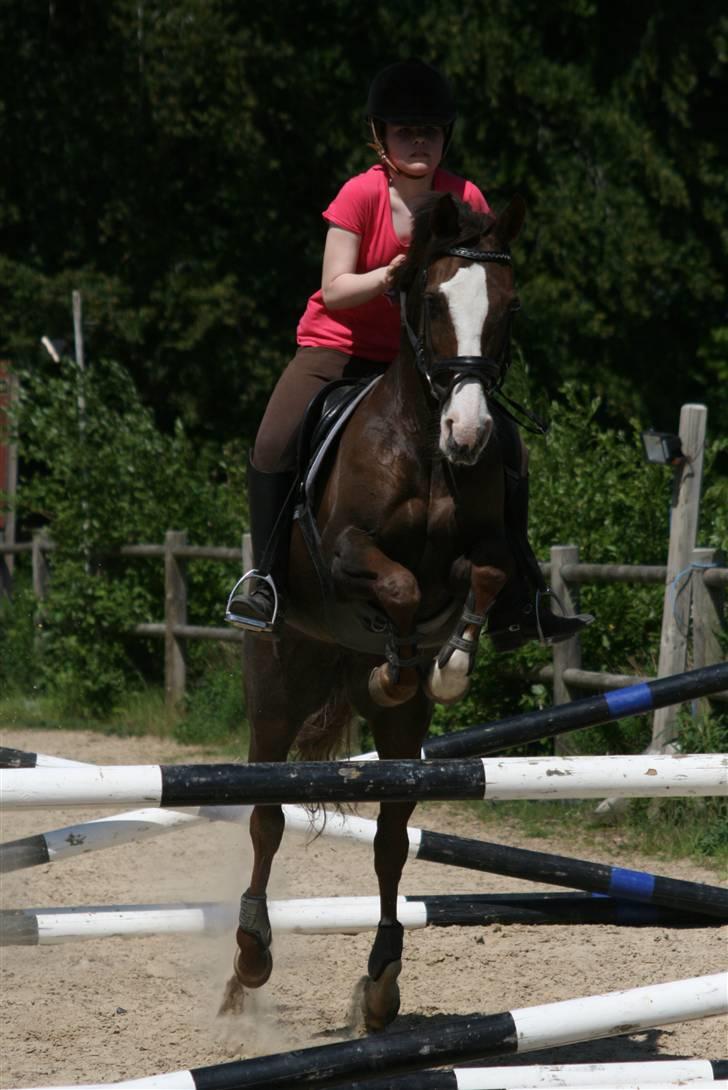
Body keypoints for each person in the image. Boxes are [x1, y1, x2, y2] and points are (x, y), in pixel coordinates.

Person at [225, 59, 592, 650]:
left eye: (430, 132)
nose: (419, 141)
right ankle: (266, 582)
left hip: (430, 360)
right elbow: (334, 289)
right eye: (405, 131)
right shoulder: (360, 195)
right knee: (273, 441)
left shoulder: (466, 196)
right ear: (381, 137)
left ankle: (521, 595)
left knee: (509, 446)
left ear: (446, 137)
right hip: (340, 347)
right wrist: (391, 275)